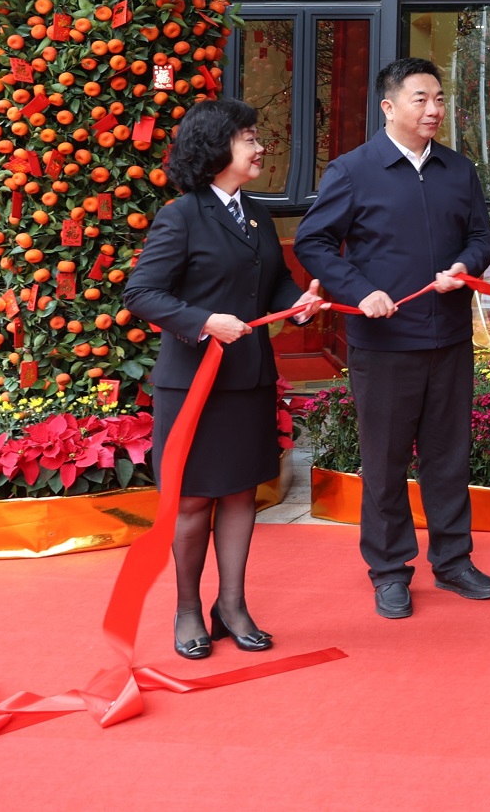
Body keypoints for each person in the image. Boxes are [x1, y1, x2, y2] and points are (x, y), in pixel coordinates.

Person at [294, 58, 490, 619]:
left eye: (439, 98)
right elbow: (314, 243)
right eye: (420, 99)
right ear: (388, 106)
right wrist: (360, 291)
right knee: (384, 464)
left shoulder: (458, 170)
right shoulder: (352, 170)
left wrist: (465, 264)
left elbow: (481, 238)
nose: (434, 109)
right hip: (383, 343)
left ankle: (453, 561)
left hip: (448, 338)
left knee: (449, 458)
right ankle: (388, 570)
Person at [123, 98, 326, 659]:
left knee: (240, 494)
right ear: (216, 147)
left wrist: (299, 305)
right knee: (193, 502)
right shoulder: (181, 215)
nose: (260, 147)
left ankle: (231, 605)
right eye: (249, 138)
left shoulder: (257, 214)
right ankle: (188, 609)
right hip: (194, 385)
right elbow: (141, 293)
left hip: (249, 379)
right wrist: (203, 321)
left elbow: (274, 284)